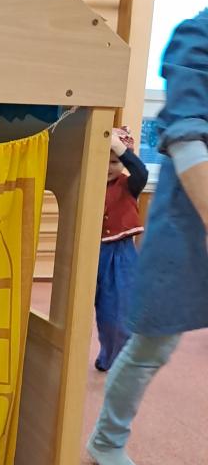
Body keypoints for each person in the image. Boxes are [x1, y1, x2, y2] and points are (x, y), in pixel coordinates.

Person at [87, 8, 208, 465]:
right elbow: (186, 136)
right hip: (182, 229)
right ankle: (108, 440)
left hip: (131, 245)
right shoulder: (197, 36)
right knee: (150, 342)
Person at [94, 126, 149, 372]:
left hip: (120, 254)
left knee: (116, 313)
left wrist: (119, 148)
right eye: (103, 161)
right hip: (90, 252)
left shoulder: (130, 184)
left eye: (114, 162)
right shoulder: (89, 184)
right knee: (81, 312)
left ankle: (116, 357)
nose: (108, 167)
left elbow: (141, 170)